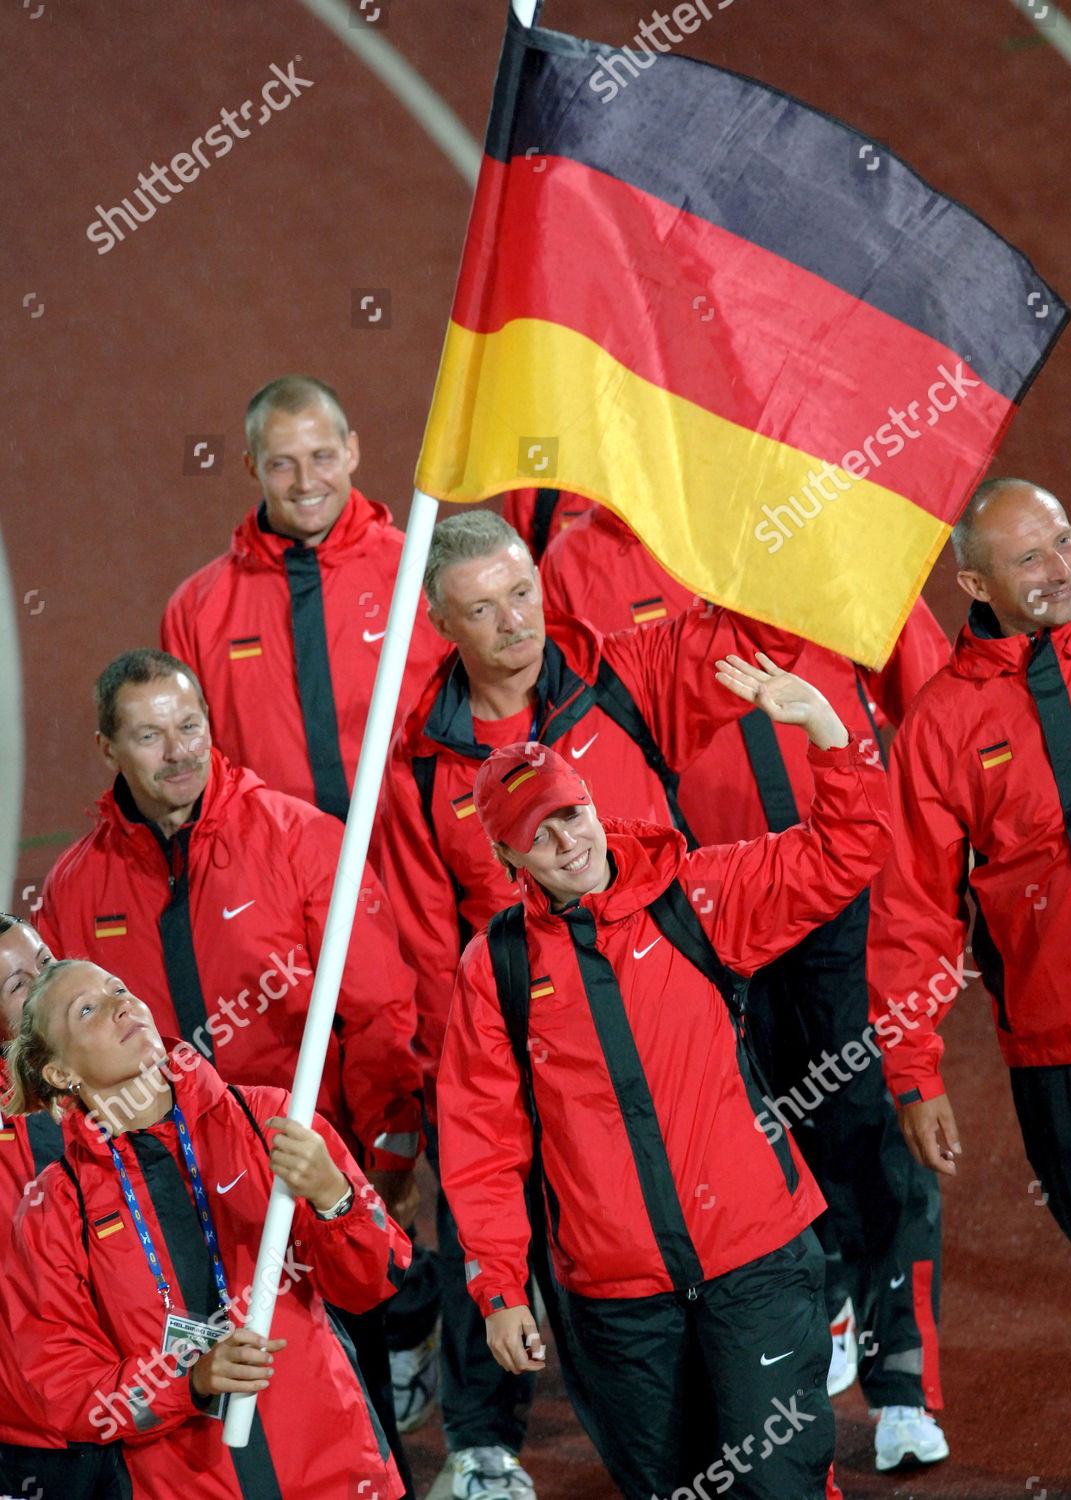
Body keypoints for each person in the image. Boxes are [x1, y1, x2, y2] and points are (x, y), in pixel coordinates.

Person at [375, 509, 801, 1499]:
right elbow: (426, 925)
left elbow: (759, 641)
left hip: (667, 995)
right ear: (443, 622)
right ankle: (485, 1438)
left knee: (698, 1191)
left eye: (522, 592)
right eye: (482, 609)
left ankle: (774, 1349)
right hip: (520, 1021)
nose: (514, 621)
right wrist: (461, 1071)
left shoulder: (625, 673)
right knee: (511, 1221)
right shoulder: (422, 763)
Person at [541, 503, 950, 1472]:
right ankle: (821, 1310)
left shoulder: (789, 508)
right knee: (751, 1126)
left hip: (835, 883)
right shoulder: (574, 560)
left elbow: (916, 671)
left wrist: (936, 823)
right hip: (707, 907)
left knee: (871, 1126)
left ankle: (902, 1380)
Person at [437, 648, 892, 1500]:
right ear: (506, 863)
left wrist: (829, 734)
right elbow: (481, 1142)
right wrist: (498, 1286)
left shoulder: (699, 896)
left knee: (780, 1483)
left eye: (568, 813)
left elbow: (847, 850)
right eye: (536, 833)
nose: (564, 840)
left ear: (593, 805)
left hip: (752, 1255)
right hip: (615, 1297)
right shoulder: (492, 969)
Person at [37, 648, 423, 1491]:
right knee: (200, 1434)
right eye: (148, 735)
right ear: (109, 749)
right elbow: (60, 1054)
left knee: (335, 1399)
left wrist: (374, 1168)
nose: (178, 751)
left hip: (287, 1175)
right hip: (143, 1200)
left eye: (190, 726)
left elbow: (378, 1013)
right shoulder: (76, 886)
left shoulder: (299, 839)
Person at [5, 957, 411, 1499]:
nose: (120, 1003)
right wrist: (188, 1383)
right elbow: (68, 1394)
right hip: (189, 1485)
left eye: (119, 986)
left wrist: (333, 1197)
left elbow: (373, 1283)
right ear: (61, 1074)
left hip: (337, 1468)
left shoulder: (268, 1118)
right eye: (88, 1009)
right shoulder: (57, 1206)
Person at [868, 477, 1071, 1260]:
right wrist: (913, 1072)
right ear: (974, 584)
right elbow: (911, 912)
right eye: (1029, 558)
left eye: (1064, 541)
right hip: (1060, 1043)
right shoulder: (940, 725)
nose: (1058, 568)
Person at [161, 374, 445, 821]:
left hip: (416, 860)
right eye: (282, 464)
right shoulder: (197, 609)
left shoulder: (424, 576)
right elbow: (184, 761)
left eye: (322, 457)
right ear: (252, 466)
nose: (306, 481)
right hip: (275, 869)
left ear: (351, 450)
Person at [0, 917, 133, 1498]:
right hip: (40, 1431)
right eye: (16, 984)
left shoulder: (119, 1076)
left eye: (46, 958)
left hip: (150, 1401)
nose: (46, 980)